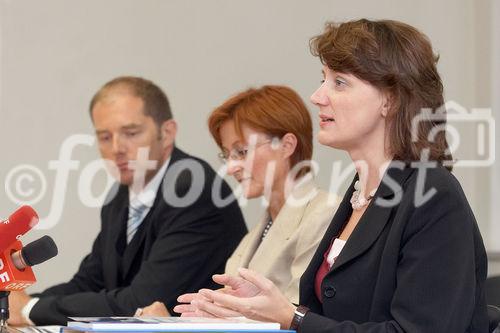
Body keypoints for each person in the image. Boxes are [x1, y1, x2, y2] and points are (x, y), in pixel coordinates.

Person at [176, 19, 489, 332]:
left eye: (339, 82)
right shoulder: (360, 190)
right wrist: (259, 310)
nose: (317, 96)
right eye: (323, 79)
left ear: (389, 100)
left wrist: (292, 318)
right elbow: (337, 318)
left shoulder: (433, 194)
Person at [8, 76, 247, 326]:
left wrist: (29, 309)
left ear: (166, 133)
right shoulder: (119, 197)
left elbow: (144, 301)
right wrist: (18, 305)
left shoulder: (193, 190)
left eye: (130, 133)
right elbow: (90, 281)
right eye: (104, 137)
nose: (116, 148)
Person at [140, 85, 337, 317]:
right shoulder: (253, 236)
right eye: (227, 155)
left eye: (242, 152)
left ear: (287, 146)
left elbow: (299, 319)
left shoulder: (324, 215)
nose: (231, 167)